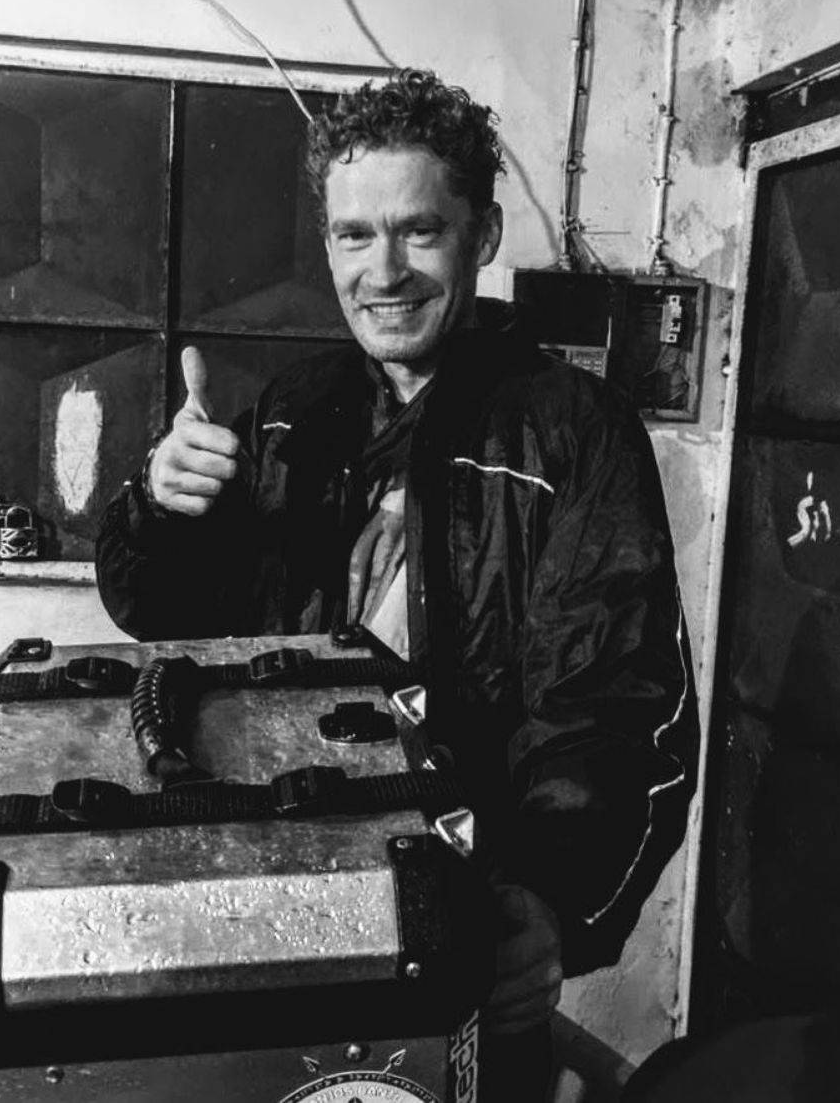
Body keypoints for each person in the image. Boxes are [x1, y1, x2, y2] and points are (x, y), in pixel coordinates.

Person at [96, 69, 698, 1097]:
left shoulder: (573, 430)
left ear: (483, 234)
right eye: (354, 235)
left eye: (420, 231)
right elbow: (169, 618)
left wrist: (546, 900)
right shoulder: (293, 410)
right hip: (280, 913)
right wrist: (158, 503)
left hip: (459, 935)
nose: (385, 271)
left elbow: (612, 703)